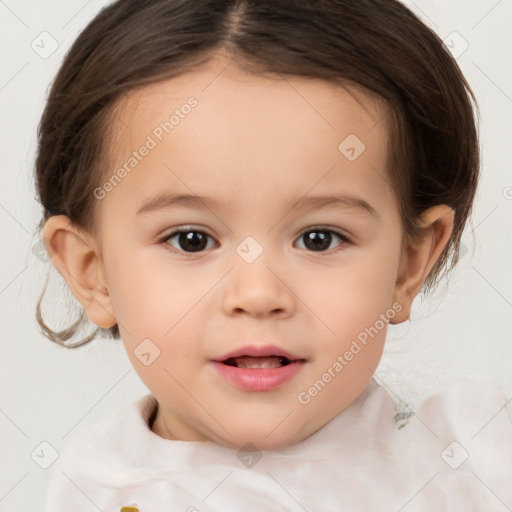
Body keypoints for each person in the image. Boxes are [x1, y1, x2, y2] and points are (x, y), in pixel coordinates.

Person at [36, 0, 512, 510]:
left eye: (319, 238)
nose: (258, 294)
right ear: (94, 273)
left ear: (409, 265)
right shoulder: (95, 491)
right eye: (191, 239)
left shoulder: (475, 461)